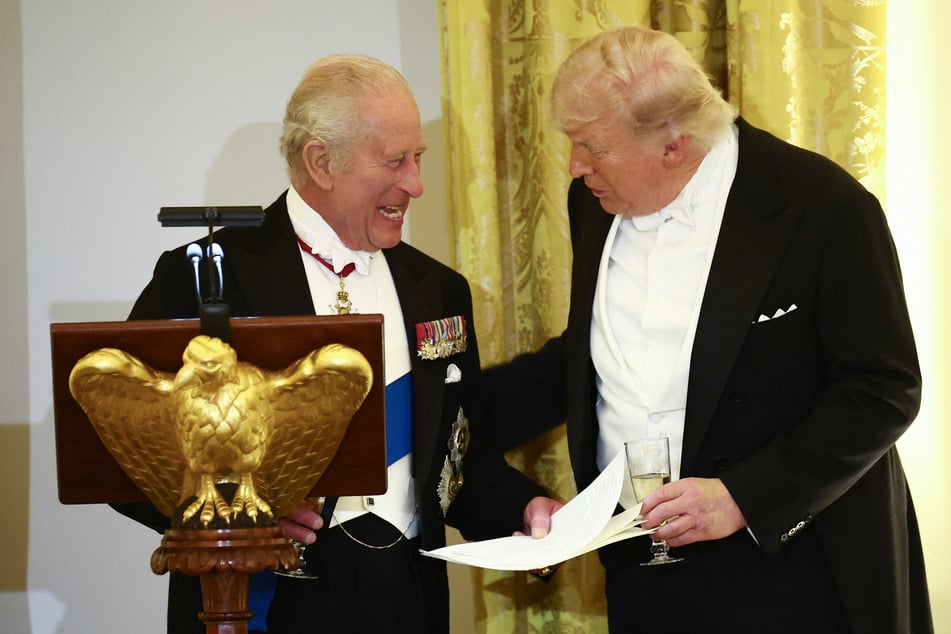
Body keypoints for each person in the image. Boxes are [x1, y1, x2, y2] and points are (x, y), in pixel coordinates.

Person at [485, 26, 933, 633]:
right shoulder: (591, 201)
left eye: (592, 146)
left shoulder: (823, 208)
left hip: (791, 570)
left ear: (673, 146)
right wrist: (443, 414)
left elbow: (883, 390)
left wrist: (743, 497)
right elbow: (599, 351)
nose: (574, 165)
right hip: (641, 568)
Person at [114, 54, 550, 634]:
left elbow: (455, 455)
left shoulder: (438, 290)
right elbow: (119, 442)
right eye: (395, 160)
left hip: (406, 601)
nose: (415, 183)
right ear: (321, 162)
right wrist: (235, 510)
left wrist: (523, 508)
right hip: (259, 600)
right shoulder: (209, 277)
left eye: (417, 158)